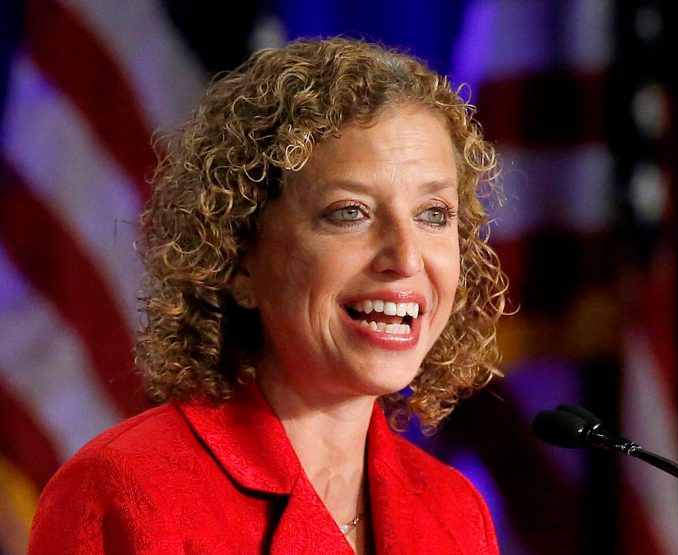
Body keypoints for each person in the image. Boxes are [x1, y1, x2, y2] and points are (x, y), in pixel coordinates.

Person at [29, 37, 508, 554]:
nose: (408, 258)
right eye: (350, 212)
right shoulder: (126, 493)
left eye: (433, 214)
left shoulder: (454, 512)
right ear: (238, 258)